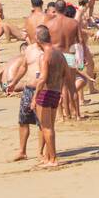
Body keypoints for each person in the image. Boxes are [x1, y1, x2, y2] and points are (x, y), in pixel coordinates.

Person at [33, 24, 66, 167]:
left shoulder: (45, 55)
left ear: (37, 40)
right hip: (56, 91)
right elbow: (65, 72)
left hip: (46, 92)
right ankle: (47, 156)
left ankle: (53, 159)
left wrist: (35, 97)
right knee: (50, 127)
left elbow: (42, 78)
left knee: (46, 127)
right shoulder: (59, 53)